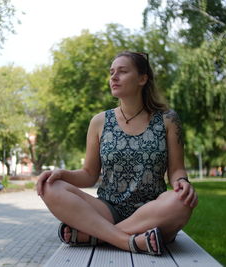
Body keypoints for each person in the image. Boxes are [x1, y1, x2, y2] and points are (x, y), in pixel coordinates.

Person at [36, 51, 198, 256]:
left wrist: (182, 182)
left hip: (153, 211)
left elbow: (176, 169)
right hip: (106, 211)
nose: (114, 77)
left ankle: (96, 236)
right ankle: (129, 240)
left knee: (182, 201)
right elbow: (89, 174)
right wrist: (62, 174)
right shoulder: (99, 121)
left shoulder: (168, 119)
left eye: (122, 71)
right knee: (51, 186)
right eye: (112, 72)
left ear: (142, 78)